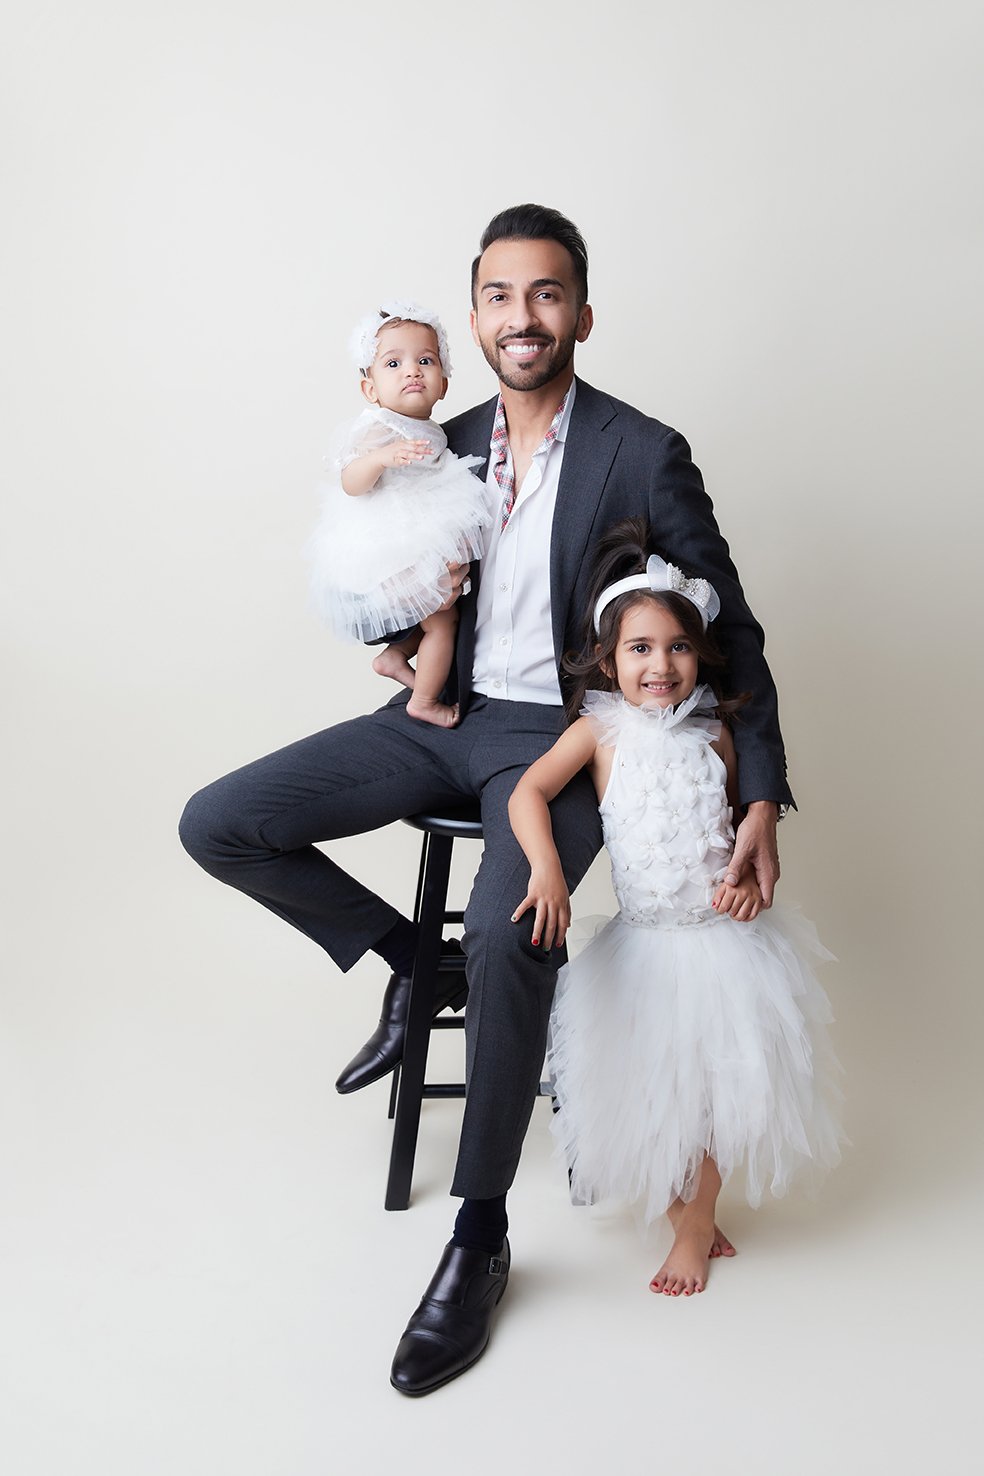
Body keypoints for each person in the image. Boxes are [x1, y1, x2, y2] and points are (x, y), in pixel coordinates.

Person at [179, 204, 795, 1396]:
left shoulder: (642, 451)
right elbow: (366, 576)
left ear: (582, 312)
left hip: (553, 740)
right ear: (475, 317)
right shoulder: (434, 436)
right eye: (503, 297)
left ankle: (479, 1231)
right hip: (437, 717)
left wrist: (761, 796)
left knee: (520, 929)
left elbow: (738, 633)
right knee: (220, 821)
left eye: (548, 294)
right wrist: (398, 632)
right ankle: (414, 963)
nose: (525, 316)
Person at [508, 518, 843, 1298]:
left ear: (700, 656)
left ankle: (697, 1223)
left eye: (679, 648)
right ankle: (680, 1212)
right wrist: (548, 869)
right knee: (654, 1091)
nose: (661, 665)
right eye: (640, 649)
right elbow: (528, 791)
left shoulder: (719, 736)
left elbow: (736, 842)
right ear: (609, 658)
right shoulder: (596, 734)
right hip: (643, 948)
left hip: (721, 945)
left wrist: (747, 886)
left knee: (722, 1090)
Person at [306, 302, 490, 728]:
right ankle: (423, 700)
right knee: (443, 622)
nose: (412, 371)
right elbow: (351, 481)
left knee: (436, 612)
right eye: (394, 363)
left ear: (443, 384)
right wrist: (382, 457)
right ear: (370, 390)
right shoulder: (379, 426)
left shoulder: (435, 429)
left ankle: (396, 657)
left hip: (420, 529)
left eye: (425, 361)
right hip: (394, 540)